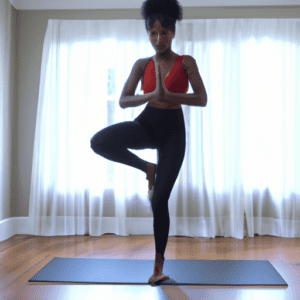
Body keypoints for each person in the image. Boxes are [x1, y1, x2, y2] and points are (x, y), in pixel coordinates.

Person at [91, 0, 206, 284]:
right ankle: (147, 168)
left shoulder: (186, 62)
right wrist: (150, 94)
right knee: (100, 141)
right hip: (147, 123)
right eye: (153, 33)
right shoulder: (142, 64)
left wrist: (171, 96)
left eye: (164, 33)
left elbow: (201, 99)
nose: (158, 39)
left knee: (159, 201)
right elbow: (123, 100)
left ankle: (158, 269)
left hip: (173, 133)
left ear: (173, 32)